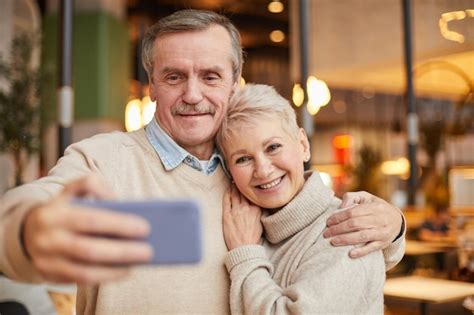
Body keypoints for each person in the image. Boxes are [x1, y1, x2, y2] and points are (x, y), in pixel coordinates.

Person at [0, 9, 405, 314]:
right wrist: (32, 230)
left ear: (234, 82)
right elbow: (26, 215)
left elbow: (315, 238)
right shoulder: (104, 160)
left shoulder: (248, 177)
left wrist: (393, 226)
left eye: (210, 76)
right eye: (174, 77)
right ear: (152, 85)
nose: (193, 94)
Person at [216, 84, 391, 314]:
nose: (263, 170)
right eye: (242, 159)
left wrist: (246, 255)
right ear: (229, 172)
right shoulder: (244, 226)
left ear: (303, 145)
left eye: (273, 147)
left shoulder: (348, 230)